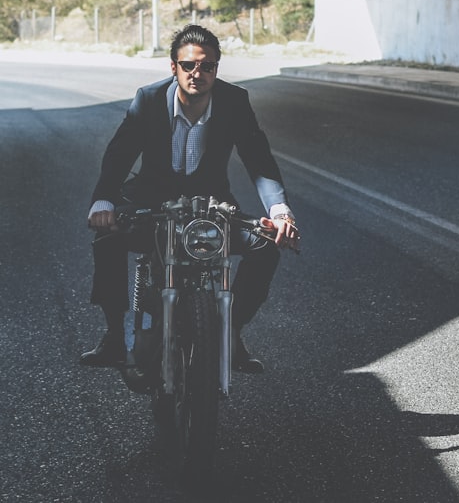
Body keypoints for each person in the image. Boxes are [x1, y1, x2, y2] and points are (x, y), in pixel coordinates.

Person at [82, 24, 299, 373]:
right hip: (150, 203)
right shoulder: (149, 99)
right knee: (107, 238)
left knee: (265, 245)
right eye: (188, 66)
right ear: (173, 67)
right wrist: (103, 200)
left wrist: (280, 210)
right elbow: (119, 154)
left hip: (211, 208)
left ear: (216, 68)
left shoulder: (234, 102)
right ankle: (112, 336)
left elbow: (258, 158)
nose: (197, 74)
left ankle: (230, 333)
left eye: (207, 66)